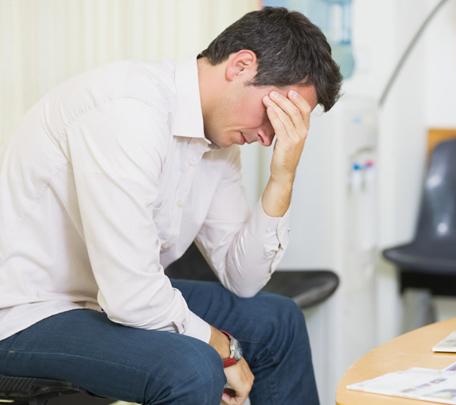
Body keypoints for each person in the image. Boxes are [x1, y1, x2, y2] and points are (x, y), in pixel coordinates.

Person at [0, 6, 342, 405]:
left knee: (277, 322)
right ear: (241, 65)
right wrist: (223, 346)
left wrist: (282, 175)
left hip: (104, 299)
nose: (271, 137)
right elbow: (131, 297)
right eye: (277, 114)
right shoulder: (127, 110)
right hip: (28, 314)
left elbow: (243, 278)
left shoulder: (217, 142)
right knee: (193, 365)